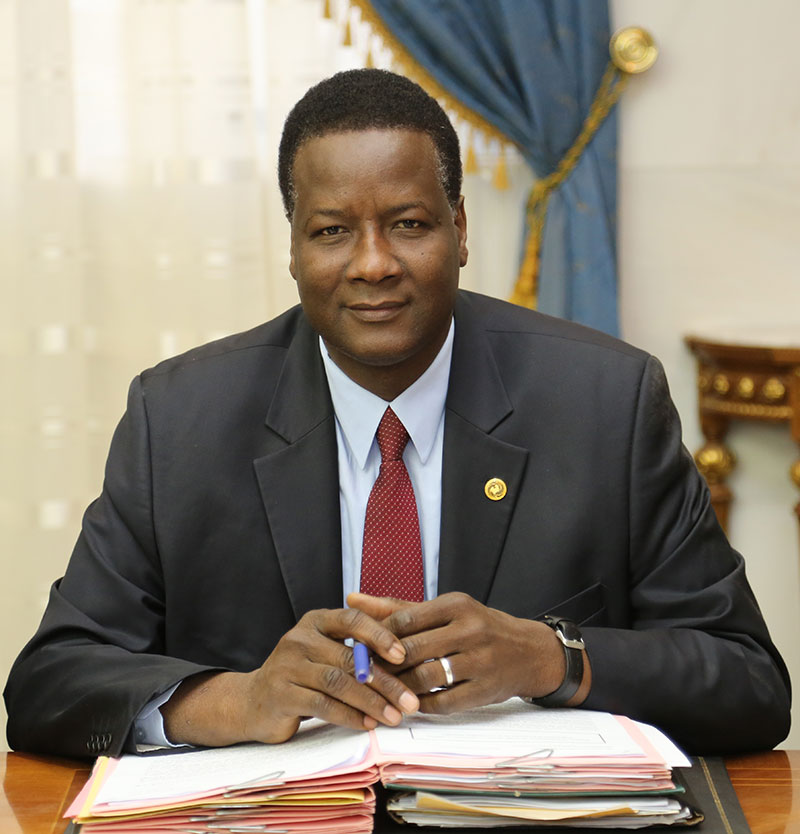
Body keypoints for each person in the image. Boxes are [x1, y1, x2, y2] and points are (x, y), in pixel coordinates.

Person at [4, 69, 790, 760]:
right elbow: (50, 683)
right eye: (332, 231)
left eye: (408, 224)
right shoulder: (179, 420)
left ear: (460, 230)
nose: (373, 263)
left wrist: (552, 658)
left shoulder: (606, 403)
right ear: (293, 249)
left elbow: (750, 683)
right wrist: (240, 700)